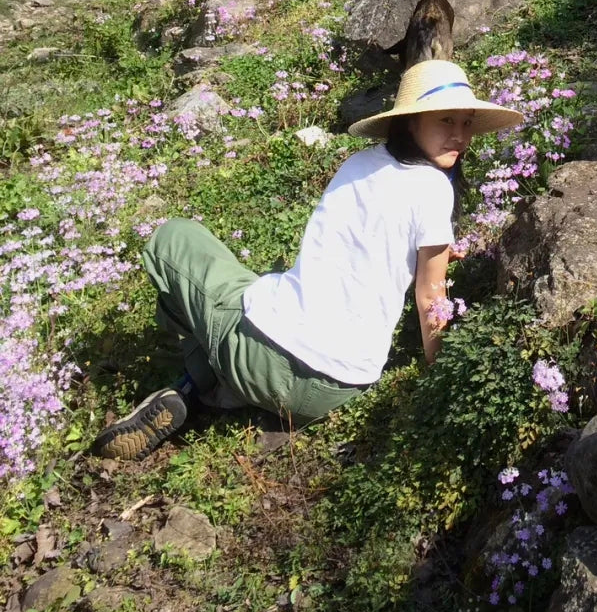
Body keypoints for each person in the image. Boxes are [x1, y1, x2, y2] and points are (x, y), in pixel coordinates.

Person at [92, 59, 523, 461]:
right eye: (447, 120)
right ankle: (217, 389)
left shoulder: (358, 165)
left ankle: (193, 379)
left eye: (466, 123)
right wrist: (439, 379)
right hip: (338, 388)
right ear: (410, 122)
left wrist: (437, 385)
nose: (461, 135)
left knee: (175, 238)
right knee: (251, 298)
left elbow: (416, 286)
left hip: (268, 357)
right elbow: (430, 291)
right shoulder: (435, 190)